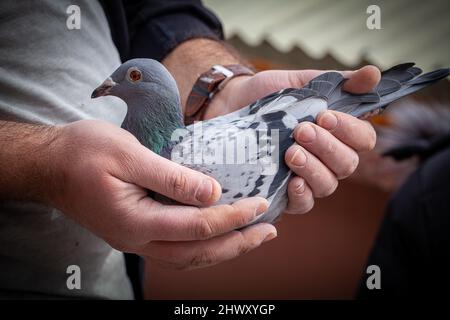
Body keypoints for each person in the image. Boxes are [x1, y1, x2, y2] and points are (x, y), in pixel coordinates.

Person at [0, 0, 378, 299]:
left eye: (131, 77)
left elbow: (155, 8)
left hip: (109, 285)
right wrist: (47, 164)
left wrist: (217, 86)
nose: (109, 86)